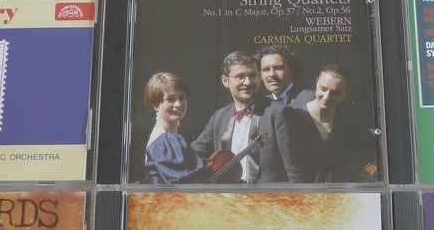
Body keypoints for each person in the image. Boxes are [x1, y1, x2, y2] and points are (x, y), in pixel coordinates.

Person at [191, 52, 304, 183]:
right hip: (226, 194)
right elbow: (194, 154)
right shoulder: (219, 117)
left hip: (266, 195)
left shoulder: (279, 112)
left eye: (252, 76)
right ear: (225, 81)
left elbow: (295, 172)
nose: (248, 82)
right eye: (240, 77)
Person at [292, 64, 377, 182]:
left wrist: (362, 178)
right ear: (316, 83)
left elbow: (375, 160)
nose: (326, 97)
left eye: (335, 93)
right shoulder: (292, 117)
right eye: (323, 89)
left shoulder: (349, 125)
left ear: (345, 94)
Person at [142, 72, 207, 184]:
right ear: (156, 105)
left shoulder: (170, 138)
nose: (178, 104)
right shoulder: (163, 141)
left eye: (182, 98)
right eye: (170, 99)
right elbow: (187, 183)